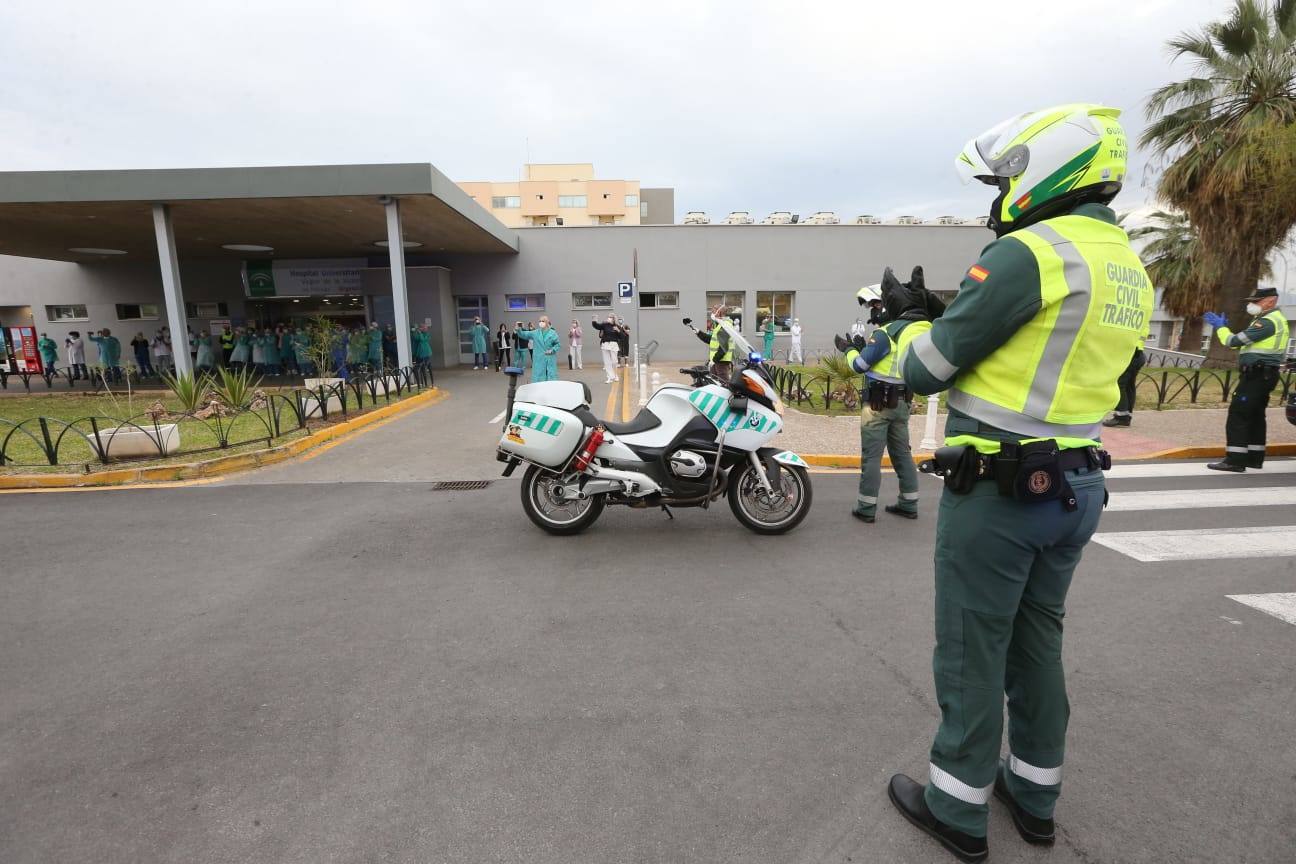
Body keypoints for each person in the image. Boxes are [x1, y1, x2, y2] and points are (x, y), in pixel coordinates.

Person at [890, 104, 1151, 860]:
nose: (999, 194)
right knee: (1038, 643)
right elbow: (1041, 350)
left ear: (1045, 169)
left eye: (1005, 176)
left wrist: (911, 323)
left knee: (972, 649)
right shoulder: (1127, 264)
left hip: (1001, 488)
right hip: (1077, 484)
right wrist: (951, 316)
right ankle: (1034, 797)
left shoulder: (1030, 252)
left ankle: (957, 810)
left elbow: (924, 368)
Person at [837, 266, 939, 524]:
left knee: (871, 457)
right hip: (902, 403)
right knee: (902, 454)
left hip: (877, 406)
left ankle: (866, 508)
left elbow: (860, 366)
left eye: (874, 306)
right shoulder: (910, 331)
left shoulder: (885, 334)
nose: (871, 311)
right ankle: (909, 502)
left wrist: (849, 350)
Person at [1202, 286, 1291, 471]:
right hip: (1264, 374)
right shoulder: (1270, 320)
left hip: (1257, 375)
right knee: (1256, 415)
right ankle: (1253, 457)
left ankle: (1235, 460)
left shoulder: (1266, 322)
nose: (1251, 305)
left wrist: (1221, 328)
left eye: (1256, 301)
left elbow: (1233, 342)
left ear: (1270, 301)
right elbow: (1240, 345)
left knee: (1239, 413)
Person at [1102, 342, 1147, 427]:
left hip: (1130, 354)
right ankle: (1126, 416)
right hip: (1137, 354)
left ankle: (1122, 417)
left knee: (1120, 384)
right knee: (1128, 385)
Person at [515, 316, 562, 382]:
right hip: (539, 359)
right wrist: (518, 329)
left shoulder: (553, 333)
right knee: (539, 379)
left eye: (543, 321)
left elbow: (558, 344)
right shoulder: (535, 333)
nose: (541, 323)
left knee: (550, 378)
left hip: (549, 358)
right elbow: (524, 334)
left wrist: (552, 350)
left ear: (547, 322)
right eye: (539, 321)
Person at [693, 306, 734, 380]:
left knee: (723, 384)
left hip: (721, 362)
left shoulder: (725, 326)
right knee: (715, 384)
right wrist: (699, 333)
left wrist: (714, 360)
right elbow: (711, 340)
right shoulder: (719, 325)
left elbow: (723, 347)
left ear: (719, 312)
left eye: (713, 311)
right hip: (717, 361)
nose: (712, 314)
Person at [591, 314, 622, 383]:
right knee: (607, 362)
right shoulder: (604, 325)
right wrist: (594, 320)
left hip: (613, 345)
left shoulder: (617, 326)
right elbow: (597, 326)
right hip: (605, 344)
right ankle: (609, 377)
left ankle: (616, 376)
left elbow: (622, 337)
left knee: (614, 361)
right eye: (608, 317)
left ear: (614, 319)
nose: (609, 318)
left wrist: (618, 331)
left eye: (610, 317)